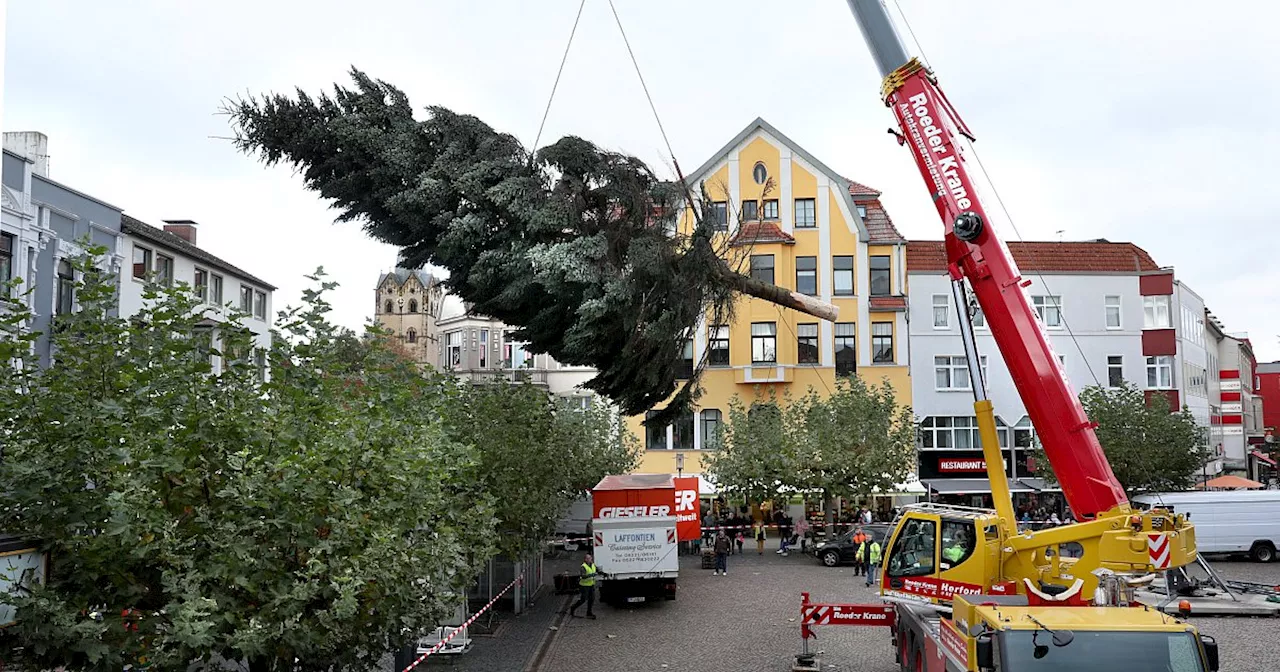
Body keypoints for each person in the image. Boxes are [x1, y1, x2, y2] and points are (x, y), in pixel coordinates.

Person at [569, 553, 598, 619]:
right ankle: (573, 608)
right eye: (587, 558)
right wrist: (592, 575)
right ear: (585, 559)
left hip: (591, 585)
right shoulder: (583, 566)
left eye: (590, 558)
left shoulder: (593, 565)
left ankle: (589, 612)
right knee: (583, 599)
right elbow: (583, 576)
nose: (589, 559)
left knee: (592, 599)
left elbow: (597, 570)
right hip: (584, 586)